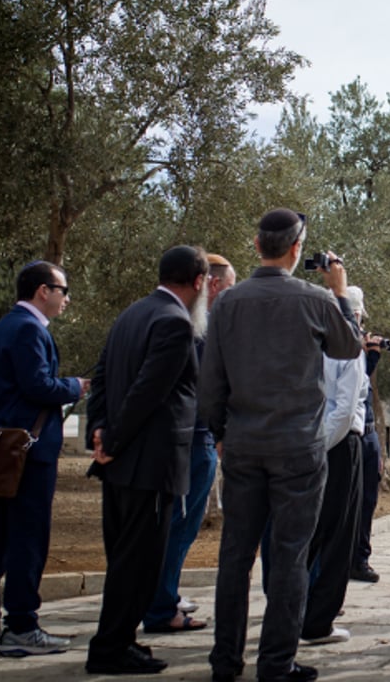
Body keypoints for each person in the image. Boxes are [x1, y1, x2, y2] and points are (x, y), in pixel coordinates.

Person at [200, 208, 362, 682]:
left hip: (245, 444)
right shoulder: (314, 299)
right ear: (296, 249)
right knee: (290, 555)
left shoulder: (227, 303)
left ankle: (225, 660)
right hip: (298, 447)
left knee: (235, 555)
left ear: (257, 246)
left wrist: (220, 434)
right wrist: (339, 291)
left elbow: (211, 382)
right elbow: (350, 347)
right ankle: (276, 662)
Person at [84, 246, 209, 675]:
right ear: (198, 282)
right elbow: (149, 391)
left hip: (120, 462)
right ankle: (109, 649)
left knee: (124, 560)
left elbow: (101, 376)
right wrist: (112, 438)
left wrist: (97, 432)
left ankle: (119, 641)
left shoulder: (132, 313)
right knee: (139, 563)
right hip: (149, 463)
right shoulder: (175, 323)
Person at [0, 262, 89, 656]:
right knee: (27, 539)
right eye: (63, 290)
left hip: (2, 451)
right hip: (28, 452)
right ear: (42, 291)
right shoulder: (29, 330)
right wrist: (75, 386)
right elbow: (38, 385)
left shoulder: (6, 326)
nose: (66, 299)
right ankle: (22, 625)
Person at [141, 253, 235, 634]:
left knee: (180, 525)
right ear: (211, 285)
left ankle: (167, 593)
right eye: (228, 288)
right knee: (179, 526)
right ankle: (161, 605)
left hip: (190, 440)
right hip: (192, 440)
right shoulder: (191, 329)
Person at [300, 285, 370, 644]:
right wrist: (321, 447)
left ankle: (292, 611)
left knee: (307, 533)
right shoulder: (349, 347)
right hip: (339, 446)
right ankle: (318, 620)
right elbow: (344, 409)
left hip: (306, 440)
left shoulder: (308, 339)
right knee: (339, 534)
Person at [350, 296, 389, 585]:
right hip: (348, 432)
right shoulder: (334, 339)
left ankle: (359, 557)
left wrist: (371, 357)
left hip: (368, 431)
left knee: (367, 499)